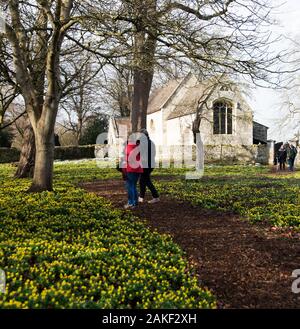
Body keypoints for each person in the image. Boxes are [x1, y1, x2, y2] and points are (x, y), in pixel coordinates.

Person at [121, 135, 143, 209]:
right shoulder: (138, 147)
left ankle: (131, 203)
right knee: (134, 186)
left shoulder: (129, 147)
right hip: (138, 169)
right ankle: (135, 202)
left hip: (131, 169)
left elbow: (126, 159)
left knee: (130, 186)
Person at [139, 129, 160, 204]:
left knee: (146, 181)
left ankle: (156, 197)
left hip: (146, 165)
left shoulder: (144, 143)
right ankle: (141, 197)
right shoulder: (151, 142)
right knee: (142, 180)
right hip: (151, 164)